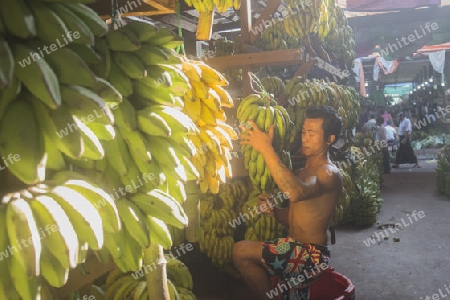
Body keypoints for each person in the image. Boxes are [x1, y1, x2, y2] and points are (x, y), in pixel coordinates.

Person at [233, 106, 343, 300]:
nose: (305, 138)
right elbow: (295, 219)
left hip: (310, 254)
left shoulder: (328, 172)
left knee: (241, 251)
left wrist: (266, 148)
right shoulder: (301, 173)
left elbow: (295, 192)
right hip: (292, 246)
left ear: (329, 139)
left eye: (312, 133)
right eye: (303, 132)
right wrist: (274, 212)